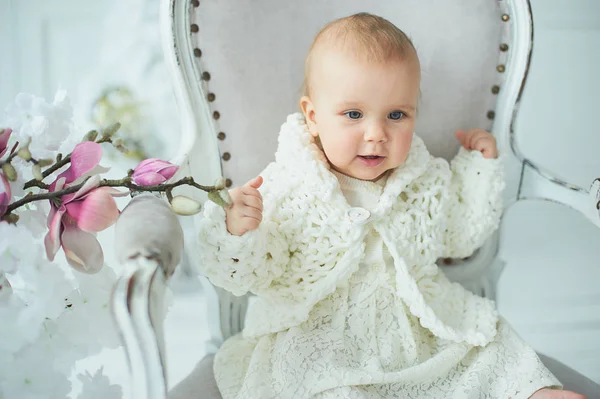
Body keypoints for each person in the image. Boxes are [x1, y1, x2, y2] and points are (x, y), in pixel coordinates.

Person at [196, 12, 586, 399]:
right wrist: (239, 232)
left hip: (416, 329)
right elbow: (256, 273)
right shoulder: (286, 186)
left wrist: (478, 171)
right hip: (322, 337)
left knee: (488, 353)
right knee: (323, 386)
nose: (376, 134)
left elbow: (460, 234)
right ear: (313, 117)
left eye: (396, 115)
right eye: (353, 114)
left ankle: (533, 393)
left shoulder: (424, 179)